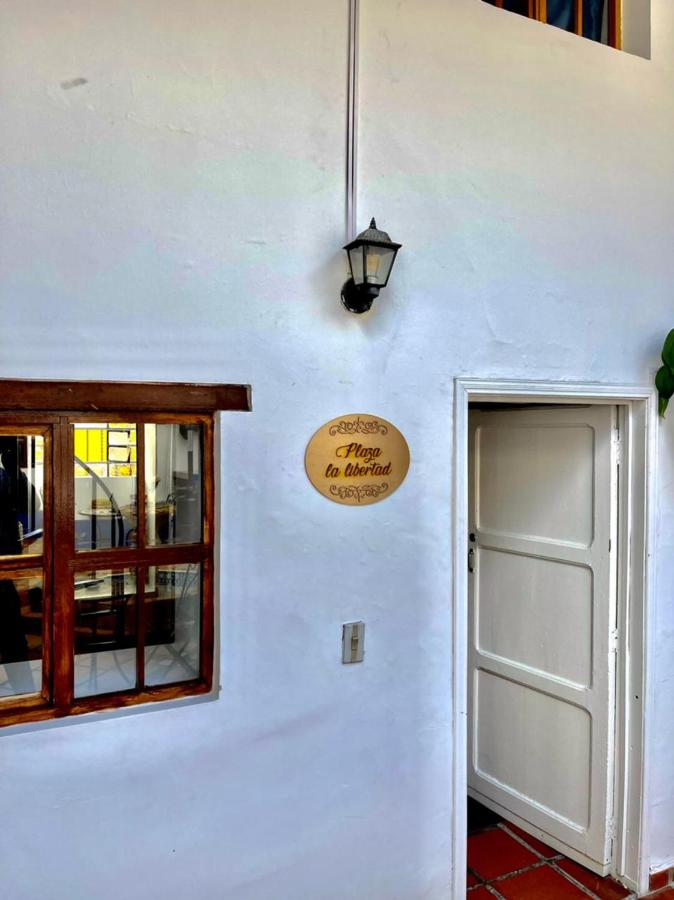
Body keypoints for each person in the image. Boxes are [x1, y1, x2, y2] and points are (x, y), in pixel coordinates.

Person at [0, 437, 39, 693]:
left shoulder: (7, 476)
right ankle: (25, 693)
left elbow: (29, 506)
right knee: (12, 637)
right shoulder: (6, 477)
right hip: (4, 568)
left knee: (12, 636)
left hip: (4, 569)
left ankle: (25, 695)